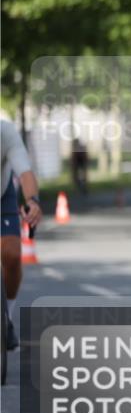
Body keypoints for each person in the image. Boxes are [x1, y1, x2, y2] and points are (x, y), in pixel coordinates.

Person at [1, 118, 43, 349]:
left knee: (12, 255)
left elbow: (25, 173)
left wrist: (32, 201)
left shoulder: (5, 131)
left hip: (2, 195)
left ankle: (6, 318)